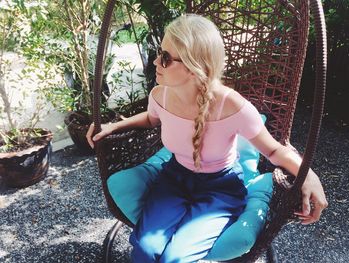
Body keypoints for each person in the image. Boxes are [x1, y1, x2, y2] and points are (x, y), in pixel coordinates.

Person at [87, 14, 328, 263]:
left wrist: (308, 174)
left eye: (166, 58)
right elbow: (150, 119)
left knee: (176, 258)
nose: (156, 62)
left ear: (194, 67)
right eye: (160, 52)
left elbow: (275, 151)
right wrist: (114, 125)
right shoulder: (161, 95)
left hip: (220, 190)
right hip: (173, 180)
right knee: (146, 249)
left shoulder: (232, 106)